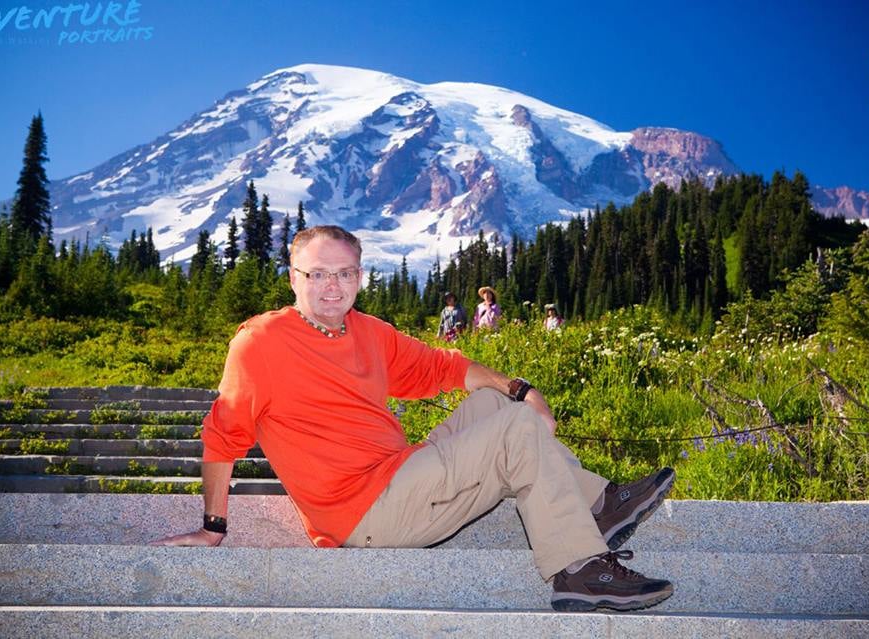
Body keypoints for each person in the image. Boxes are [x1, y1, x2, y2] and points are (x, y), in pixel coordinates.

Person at [153, 225, 675, 612]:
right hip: (364, 512)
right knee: (515, 429)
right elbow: (223, 435)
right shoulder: (261, 342)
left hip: (401, 476)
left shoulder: (368, 331)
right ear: (294, 278)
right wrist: (213, 527)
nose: (332, 286)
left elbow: (444, 366)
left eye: (344, 273)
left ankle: (598, 506)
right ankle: (580, 569)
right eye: (318, 274)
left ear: (360, 277)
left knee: (499, 405)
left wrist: (521, 388)